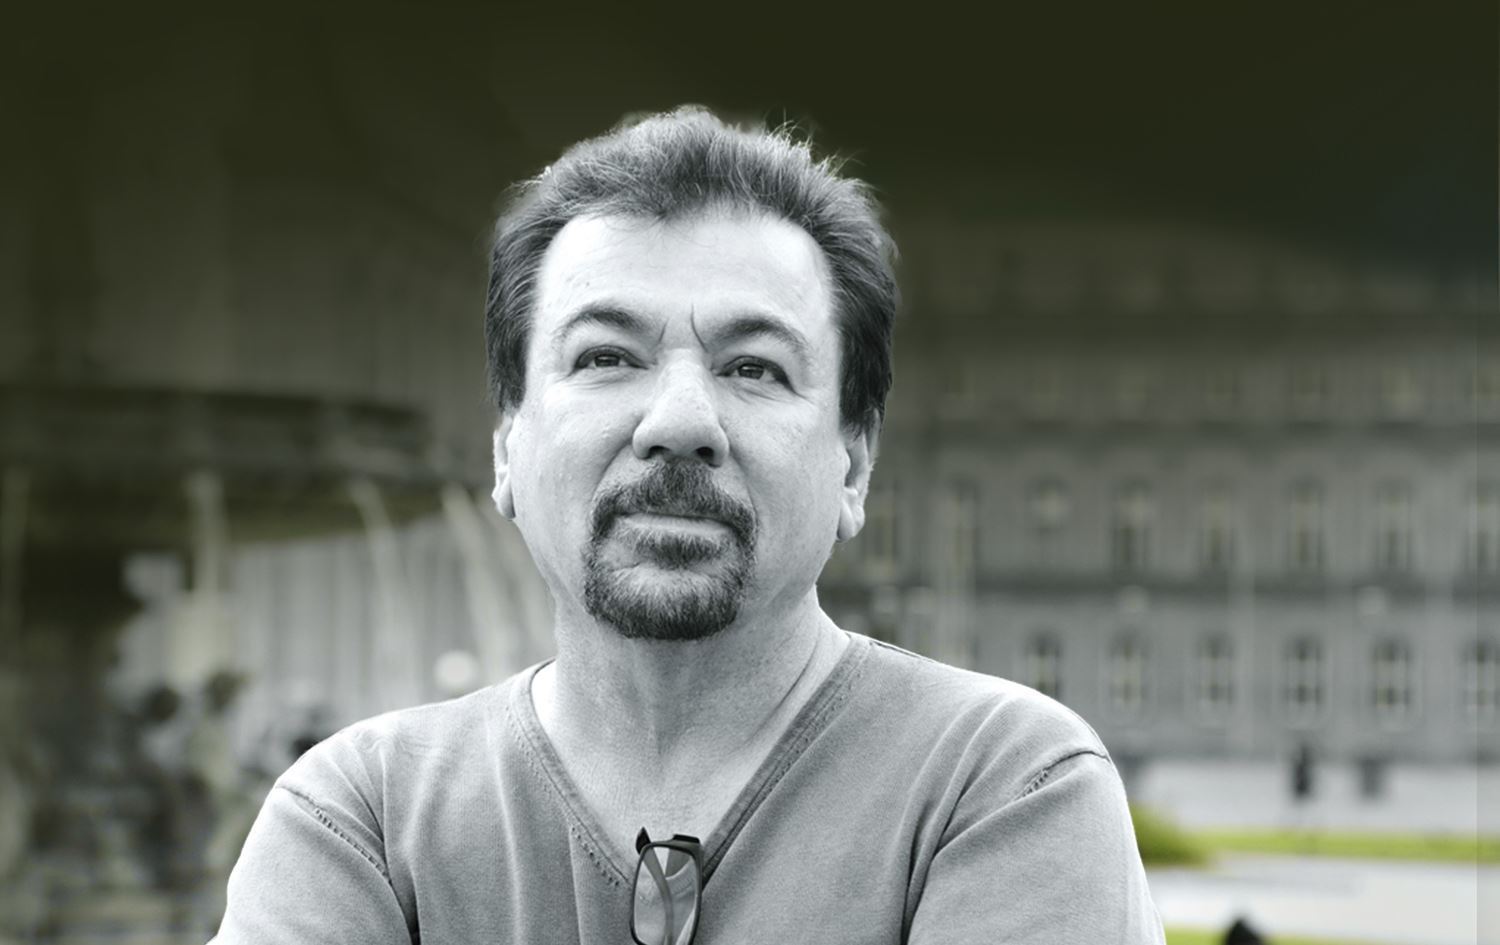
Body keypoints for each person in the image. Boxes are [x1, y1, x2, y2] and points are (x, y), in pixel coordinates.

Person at [213, 106, 1165, 944]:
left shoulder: (1003, 784)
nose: (678, 422)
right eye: (605, 356)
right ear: (507, 445)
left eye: (754, 367)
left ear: (854, 464)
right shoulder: (360, 816)